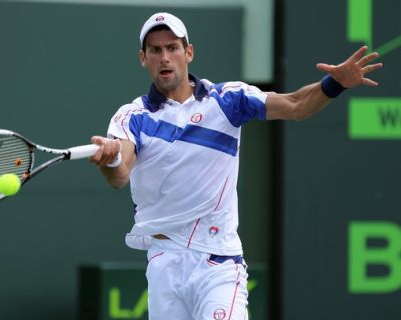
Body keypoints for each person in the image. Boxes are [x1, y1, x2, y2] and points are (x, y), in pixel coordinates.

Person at [88, 12, 382, 320]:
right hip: (163, 263)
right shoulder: (131, 116)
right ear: (143, 58)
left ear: (188, 52)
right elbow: (119, 176)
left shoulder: (228, 100)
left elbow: (296, 105)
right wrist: (110, 160)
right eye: (155, 50)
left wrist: (334, 85)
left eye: (172, 47)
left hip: (218, 264)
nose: (165, 57)